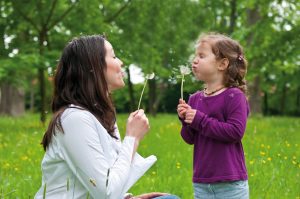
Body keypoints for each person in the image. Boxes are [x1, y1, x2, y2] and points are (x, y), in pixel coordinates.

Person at [35, 35, 179, 199]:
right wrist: (132, 138)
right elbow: (106, 193)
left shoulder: (100, 116)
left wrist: (127, 197)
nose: (121, 63)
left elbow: (104, 179)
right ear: (94, 66)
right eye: (114, 56)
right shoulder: (74, 119)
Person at [177, 32, 250, 199]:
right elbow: (190, 139)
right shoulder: (195, 98)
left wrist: (199, 119)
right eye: (195, 56)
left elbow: (235, 132)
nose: (194, 60)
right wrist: (185, 121)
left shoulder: (234, 96)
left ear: (222, 64)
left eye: (201, 56)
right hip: (202, 182)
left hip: (230, 183)